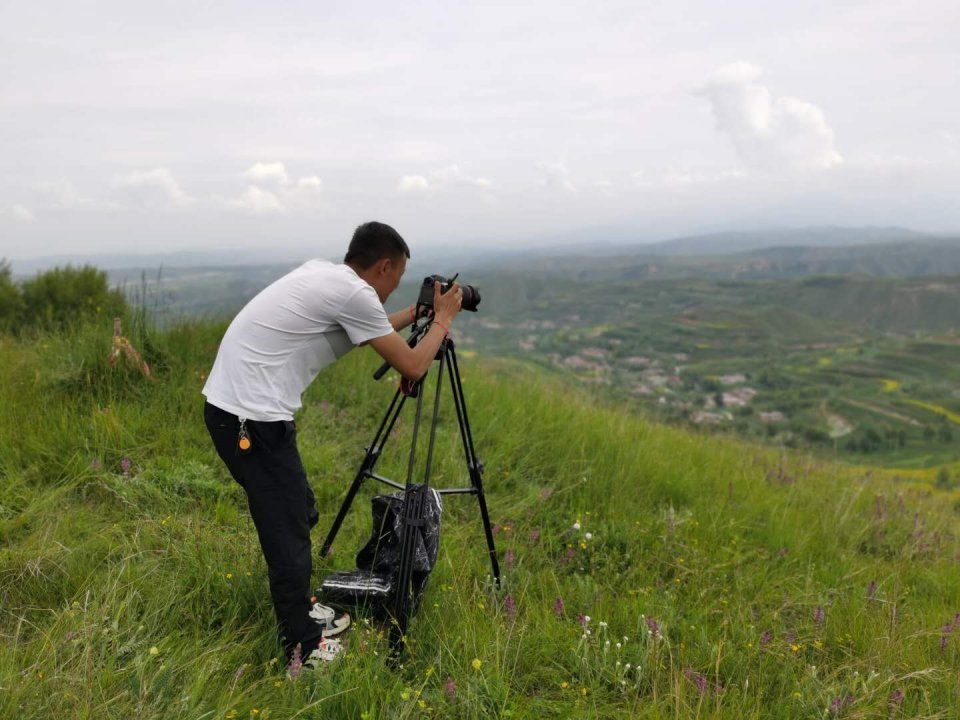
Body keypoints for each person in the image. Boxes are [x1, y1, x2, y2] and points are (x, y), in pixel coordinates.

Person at [201, 221, 463, 666]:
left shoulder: (324, 275)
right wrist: (442, 319)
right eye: (394, 279)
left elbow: (364, 331)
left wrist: (418, 318)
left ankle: (301, 610)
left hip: (238, 411)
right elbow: (415, 366)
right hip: (253, 420)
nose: (390, 292)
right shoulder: (354, 295)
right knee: (289, 540)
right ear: (384, 266)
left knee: (299, 509)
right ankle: (301, 650)